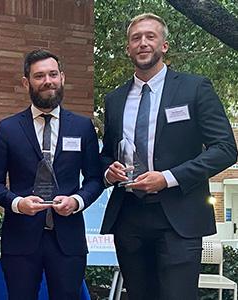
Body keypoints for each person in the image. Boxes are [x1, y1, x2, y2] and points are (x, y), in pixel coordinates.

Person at [100, 13, 238, 300]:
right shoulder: (114, 100)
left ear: (164, 45)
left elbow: (225, 148)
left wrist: (167, 178)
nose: (143, 43)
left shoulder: (194, 88)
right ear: (127, 48)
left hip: (180, 216)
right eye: (136, 38)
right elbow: (107, 155)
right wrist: (108, 172)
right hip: (130, 218)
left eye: (150, 36)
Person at [0, 49, 104, 300]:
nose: (47, 81)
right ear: (26, 82)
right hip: (20, 239)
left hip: (68, 239)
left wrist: (77, 201)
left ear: (62, 77)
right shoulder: (8, 128)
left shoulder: (83, 127)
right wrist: (18, 203)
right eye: (39, 76)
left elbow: (95, 179)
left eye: (53, 74)